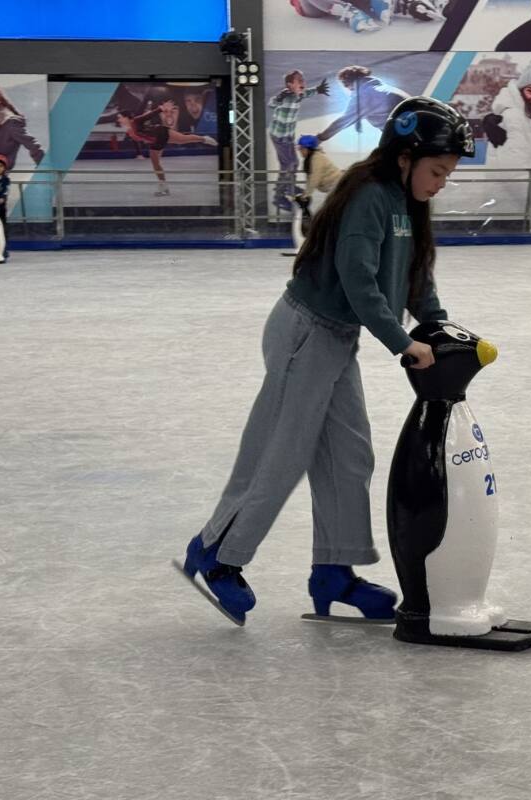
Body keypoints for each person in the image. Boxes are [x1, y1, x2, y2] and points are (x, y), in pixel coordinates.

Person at [178, 97, 475, 625]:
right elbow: (359, 279)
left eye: (447, 175)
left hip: (337, 337)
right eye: (437, 171)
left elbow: (415, 275)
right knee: (281, 452)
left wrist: (436, 325)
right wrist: (401, 342)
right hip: (305, 331)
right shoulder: (368, 196)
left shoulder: (406, 202)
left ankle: (333, 573)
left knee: (350, 454)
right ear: (404, 156)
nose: (440, 183)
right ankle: (216, 551)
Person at [479, 55, 531, 214]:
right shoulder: (515, 117)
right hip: (513, 212)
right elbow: (516, 175)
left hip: (516, 209)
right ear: (520, 90)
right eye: (530, 91)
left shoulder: (530, 118)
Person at [116, 96, 219, 197]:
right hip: (155, 142)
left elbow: (148, 116)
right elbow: (137, 142)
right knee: (156, 165)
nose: (118, 120)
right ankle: (164, 188)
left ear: (126, 117)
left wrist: (160, 108)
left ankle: (204, 139)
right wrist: (139, 154)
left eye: (120, 117)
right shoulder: (130, 131)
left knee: (182, 140)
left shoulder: (136, 121)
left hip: (160, 133)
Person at [269, 70, 331, 211]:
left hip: (288, 136)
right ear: (290, 84)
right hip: (279, 136)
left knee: (289, 164)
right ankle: (279, 196)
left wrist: (318, 90)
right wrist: (279, 97)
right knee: (291, 163)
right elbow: (272, 104)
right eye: (299, 81)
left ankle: (286, 187)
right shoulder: (286, 95)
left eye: (303, 80)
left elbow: (307, 93)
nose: (303, 83)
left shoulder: (299, 94)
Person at [318, 66, 410, 144]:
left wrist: (319, 138)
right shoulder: (381, 87)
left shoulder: (364, 94)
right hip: (412, 124)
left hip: (404, 132)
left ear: (347, 85)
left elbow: (343, 121)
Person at [294, 133, 343, 223]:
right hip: (331, 188)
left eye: (302, 149)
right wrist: (305, 194)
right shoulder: (309, 159)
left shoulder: (317, 158)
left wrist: (306, 195)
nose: (300, 151)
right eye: (300, 149)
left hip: (338, 187)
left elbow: (314, 178)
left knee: (330, 211)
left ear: (308, 149)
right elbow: (309, 179)